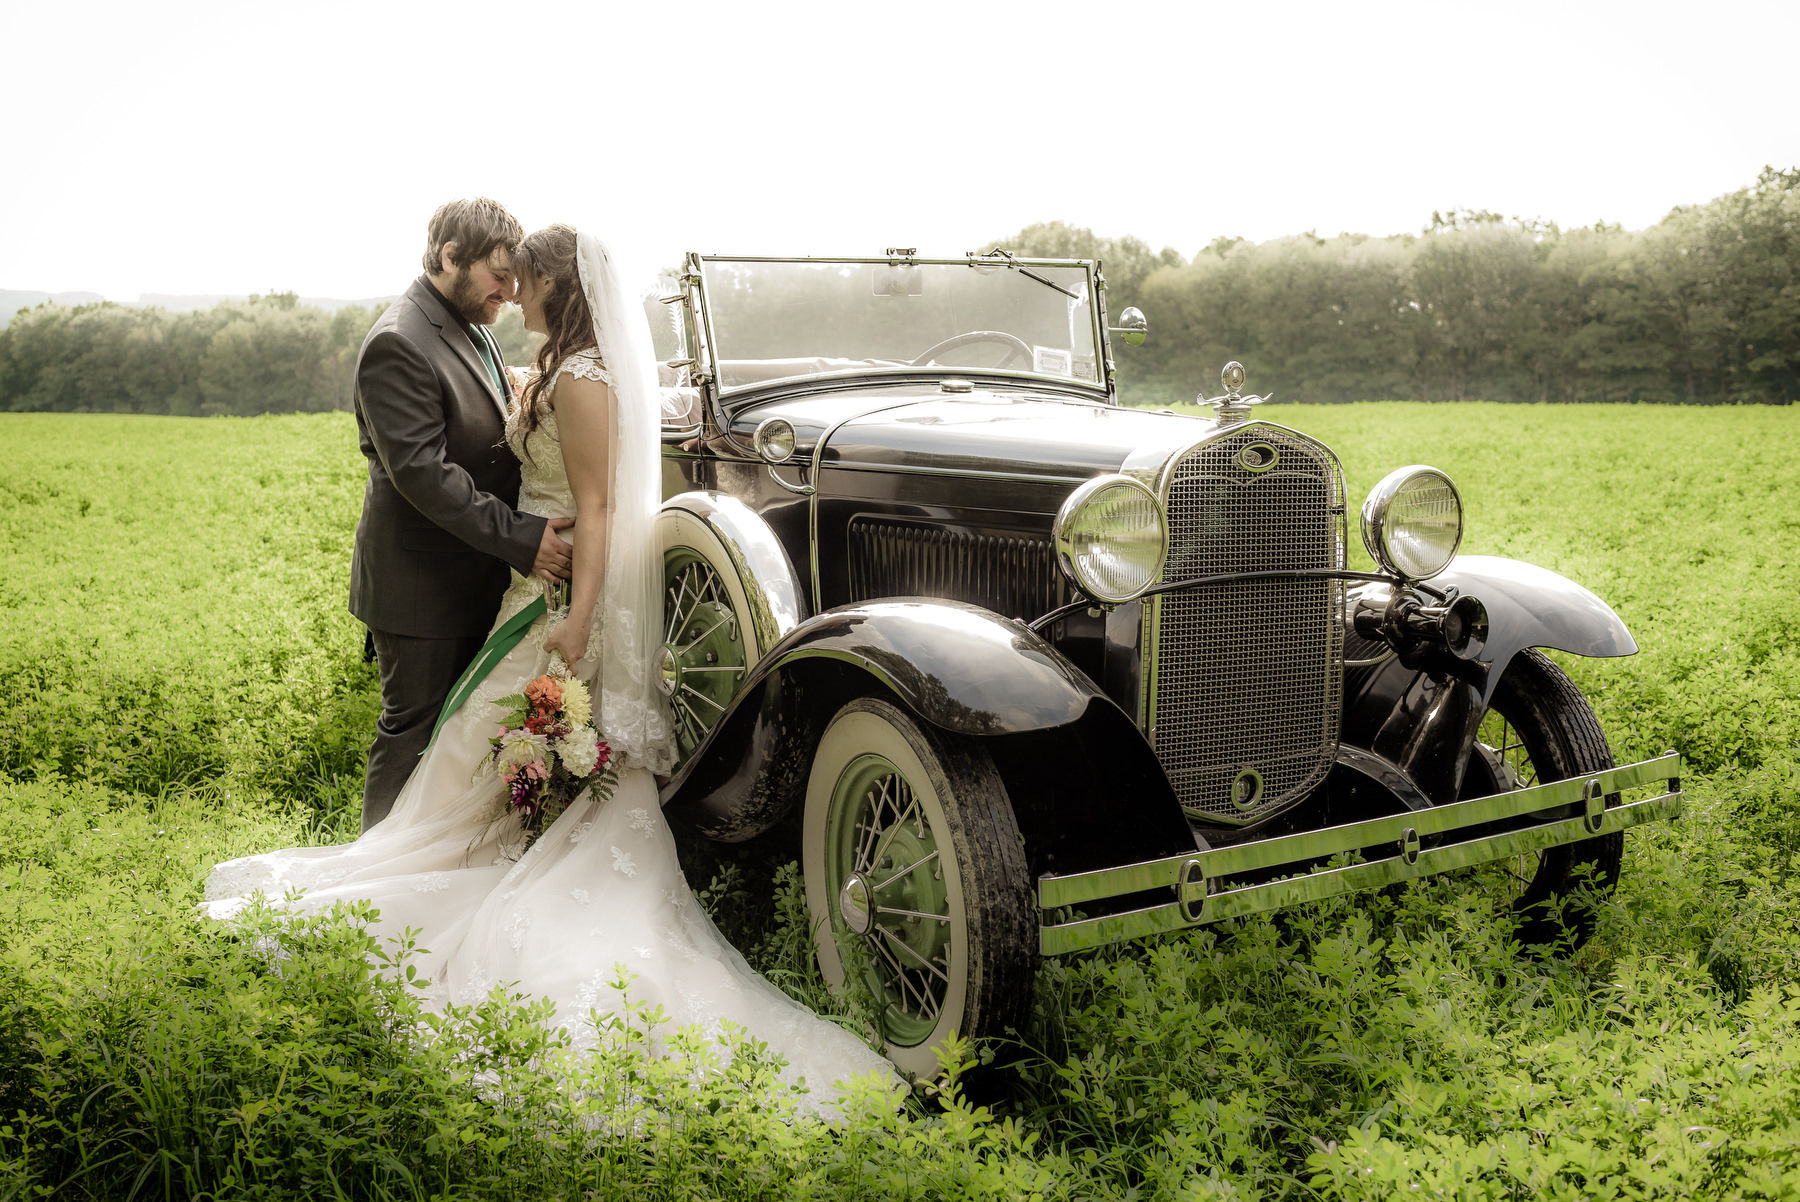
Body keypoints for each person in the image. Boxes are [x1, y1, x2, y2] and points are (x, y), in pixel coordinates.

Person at [206, 224, 897, 1109]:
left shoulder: (577, 375)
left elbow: (599, 505)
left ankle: (429, 871)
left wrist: (574, 619)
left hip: (555, 596)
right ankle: (431, 859)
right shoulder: (553, 364)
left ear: (551, 285)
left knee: (472, 741)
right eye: (500, 277)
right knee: (464, 742)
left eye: (520, 280)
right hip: (525, 581)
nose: (509, 293)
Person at [350, 198, 575, 830]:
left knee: (458, 740)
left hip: (473, 573)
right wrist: (523, 539)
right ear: (451, 257)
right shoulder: (398, 342)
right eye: (499, 275)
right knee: (413, 733)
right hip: (421, 586)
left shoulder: (466, 318)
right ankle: (372, 884)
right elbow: (425, 475)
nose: (511, 290)